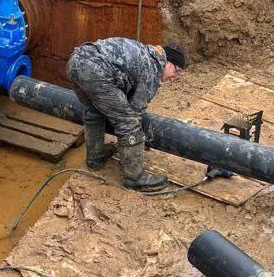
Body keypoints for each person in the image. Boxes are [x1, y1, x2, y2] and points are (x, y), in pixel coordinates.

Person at [65, 39, 186, 192]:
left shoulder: (144, 52)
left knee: (95, 112)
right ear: (168, 62)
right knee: (129, 123)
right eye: (177, 71)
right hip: (96, 71)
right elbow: (135, 112)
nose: (175, 77)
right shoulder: (153, 69)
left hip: (75, 61)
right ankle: (135, 178)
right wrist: (139, 141)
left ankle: (96, 157)